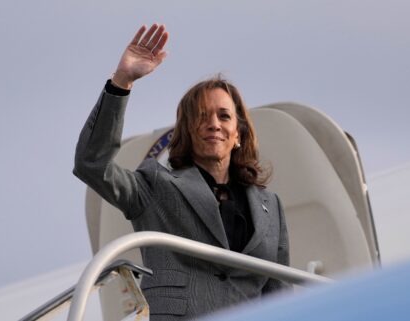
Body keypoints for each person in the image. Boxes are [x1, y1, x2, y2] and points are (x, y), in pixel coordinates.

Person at [73, 23, 290, 321]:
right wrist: (122, 81)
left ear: (238, 133)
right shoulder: (155, 186)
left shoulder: (271, 208)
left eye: (224, 115)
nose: (213, 123)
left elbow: (279, 296)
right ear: (187, 131)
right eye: (201, 116)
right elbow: (92, 164)